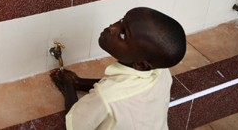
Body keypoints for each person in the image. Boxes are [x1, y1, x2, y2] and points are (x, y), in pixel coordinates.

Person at [51, 7, 187, 130]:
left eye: (123, 34)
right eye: (122, 19)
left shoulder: (107, 97)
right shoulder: (161, 73)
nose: (112, 27)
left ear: (140, 65)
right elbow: (125, 87)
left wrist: (68, 85)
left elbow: (75, 124)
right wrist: (79, 83)